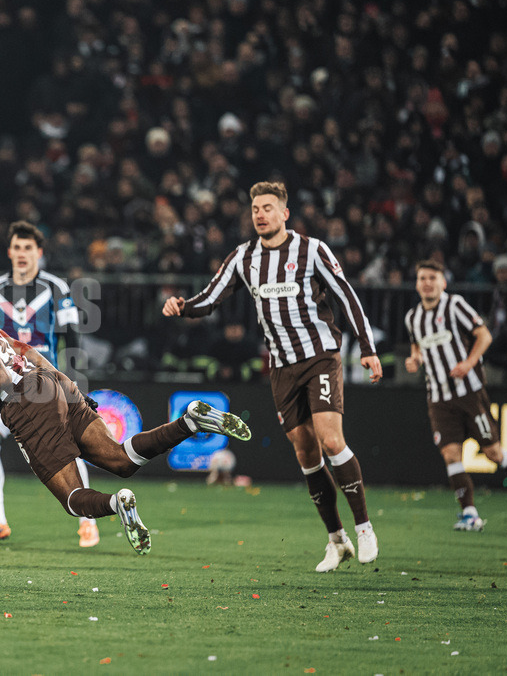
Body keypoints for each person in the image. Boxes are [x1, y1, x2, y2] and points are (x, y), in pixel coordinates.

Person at [0, 262, 251, 555]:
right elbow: (24, 350)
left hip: (26, 403)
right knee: (121, 460)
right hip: (50, 388)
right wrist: (68, 386)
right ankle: (189, 422)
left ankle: (116, 505)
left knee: (74, 501)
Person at [162, 181, 381, 573]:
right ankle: (337, 540)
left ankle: (364, 527)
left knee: (331, 440)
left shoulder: (312, 250)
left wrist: (367, 348)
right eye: (255, 209)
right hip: (280, 367)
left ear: (285, 213)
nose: (260, 214)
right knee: (306, 454)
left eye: (268, 207)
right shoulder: (243, 257)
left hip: (320, 358)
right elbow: (211, 297)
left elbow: (347, 296)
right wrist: (183, 306)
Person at [0, 220, 98, 547]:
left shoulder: (57, 287)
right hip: (4, 382)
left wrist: (71, 382)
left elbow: (71, 337)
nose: (23, 254)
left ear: (39, 253)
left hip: (44, 381)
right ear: (10, 252)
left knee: (64, 450)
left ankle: (87, 519)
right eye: (17, 247)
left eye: (29, 248)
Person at [404, 260, 507, 531]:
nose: (427, 282)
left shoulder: (454, 305)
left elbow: (484, 336)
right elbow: (416, 346)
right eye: (422, 278)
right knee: (451, 455)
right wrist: (415, 359)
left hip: (469, 393)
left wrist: (468, 363)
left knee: (492, 452)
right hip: (438, 397)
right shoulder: (413, 317)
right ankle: (470, 514)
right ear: (417, 283)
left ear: (443, 282)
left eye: (433, 277)